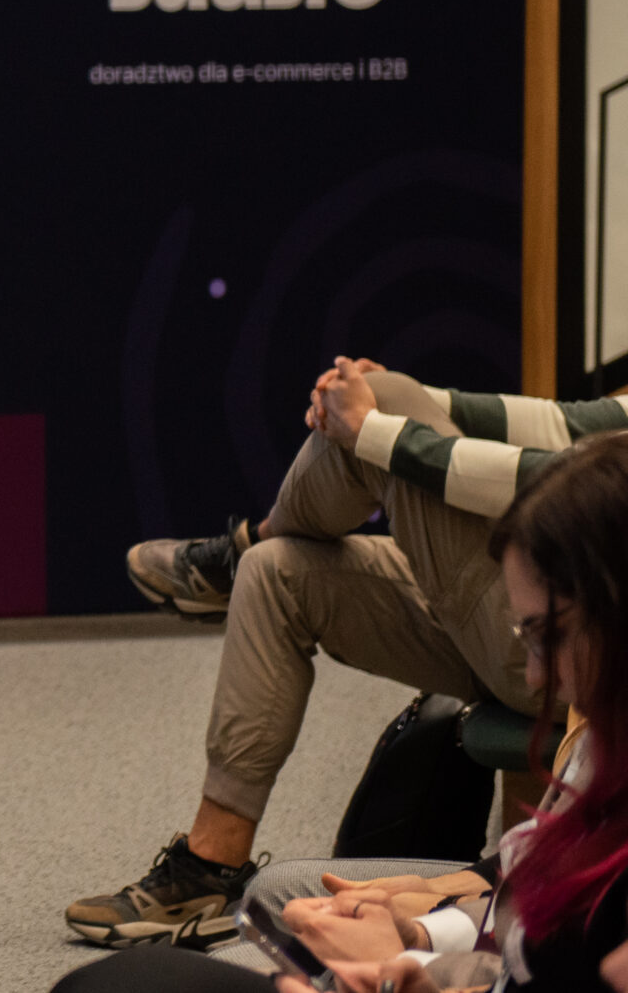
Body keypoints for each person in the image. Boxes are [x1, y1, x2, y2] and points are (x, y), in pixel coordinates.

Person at [69, 361, 624, 948]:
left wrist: (371, 428)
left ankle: (245, 543)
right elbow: (567, 424)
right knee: (275, 571)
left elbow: (546, 482)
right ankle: (211, 867)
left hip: (579, 653)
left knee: (380, 410)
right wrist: (393, 400)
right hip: (521, 634)